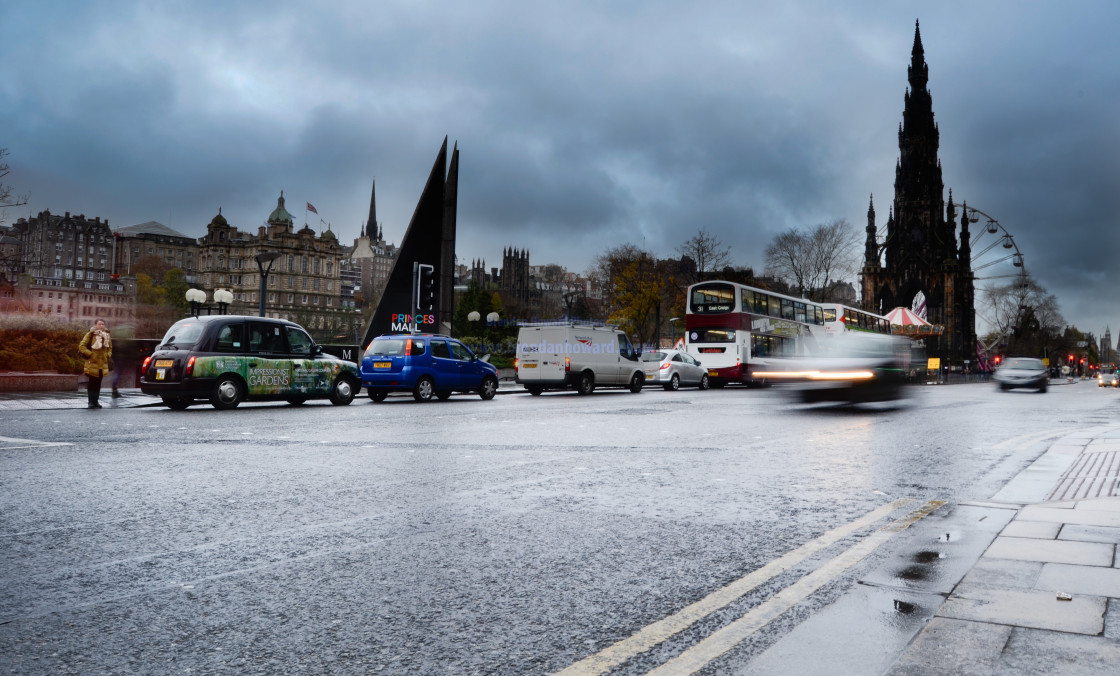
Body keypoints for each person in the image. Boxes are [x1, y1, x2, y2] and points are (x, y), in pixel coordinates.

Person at [79, 319, 113, 409]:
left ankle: (96, 401)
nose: (101, 326)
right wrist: (90, 354)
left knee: (98, 384)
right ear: (95, 325)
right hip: (92, 362)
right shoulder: (90, 334)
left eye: (103, 324)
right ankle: (91, 402)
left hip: (102, 363)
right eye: (99, 324)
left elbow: (110, 347)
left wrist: (108, 355)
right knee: (92, 383)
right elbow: (82, 346)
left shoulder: (107, 335)